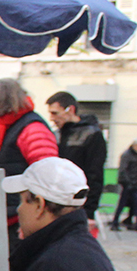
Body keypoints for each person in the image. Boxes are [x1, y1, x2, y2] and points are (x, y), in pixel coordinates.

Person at [0, 78, 58, 252]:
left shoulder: (31, 128)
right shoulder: (5, 127)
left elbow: (47, 176)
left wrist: (33, 221)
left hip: (23, 219)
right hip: (9, 213)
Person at [45, 91, 106, 225]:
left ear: (70, 110)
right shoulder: (56, 134)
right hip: (55, 201)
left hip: (78, 203)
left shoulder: (91, 134)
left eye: (55, 113)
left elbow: (95, 174)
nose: (51, 118)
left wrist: (89, 212)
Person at [113, 140, 137, 231]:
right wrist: (128, 182)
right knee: (126, 203)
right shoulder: (127, 155)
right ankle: (116, 222)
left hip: (135, 184)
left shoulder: (134, 155)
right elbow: (123, 170)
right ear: (134, 146)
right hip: (130, 184)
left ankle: (136, 223)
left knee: (136, 204)